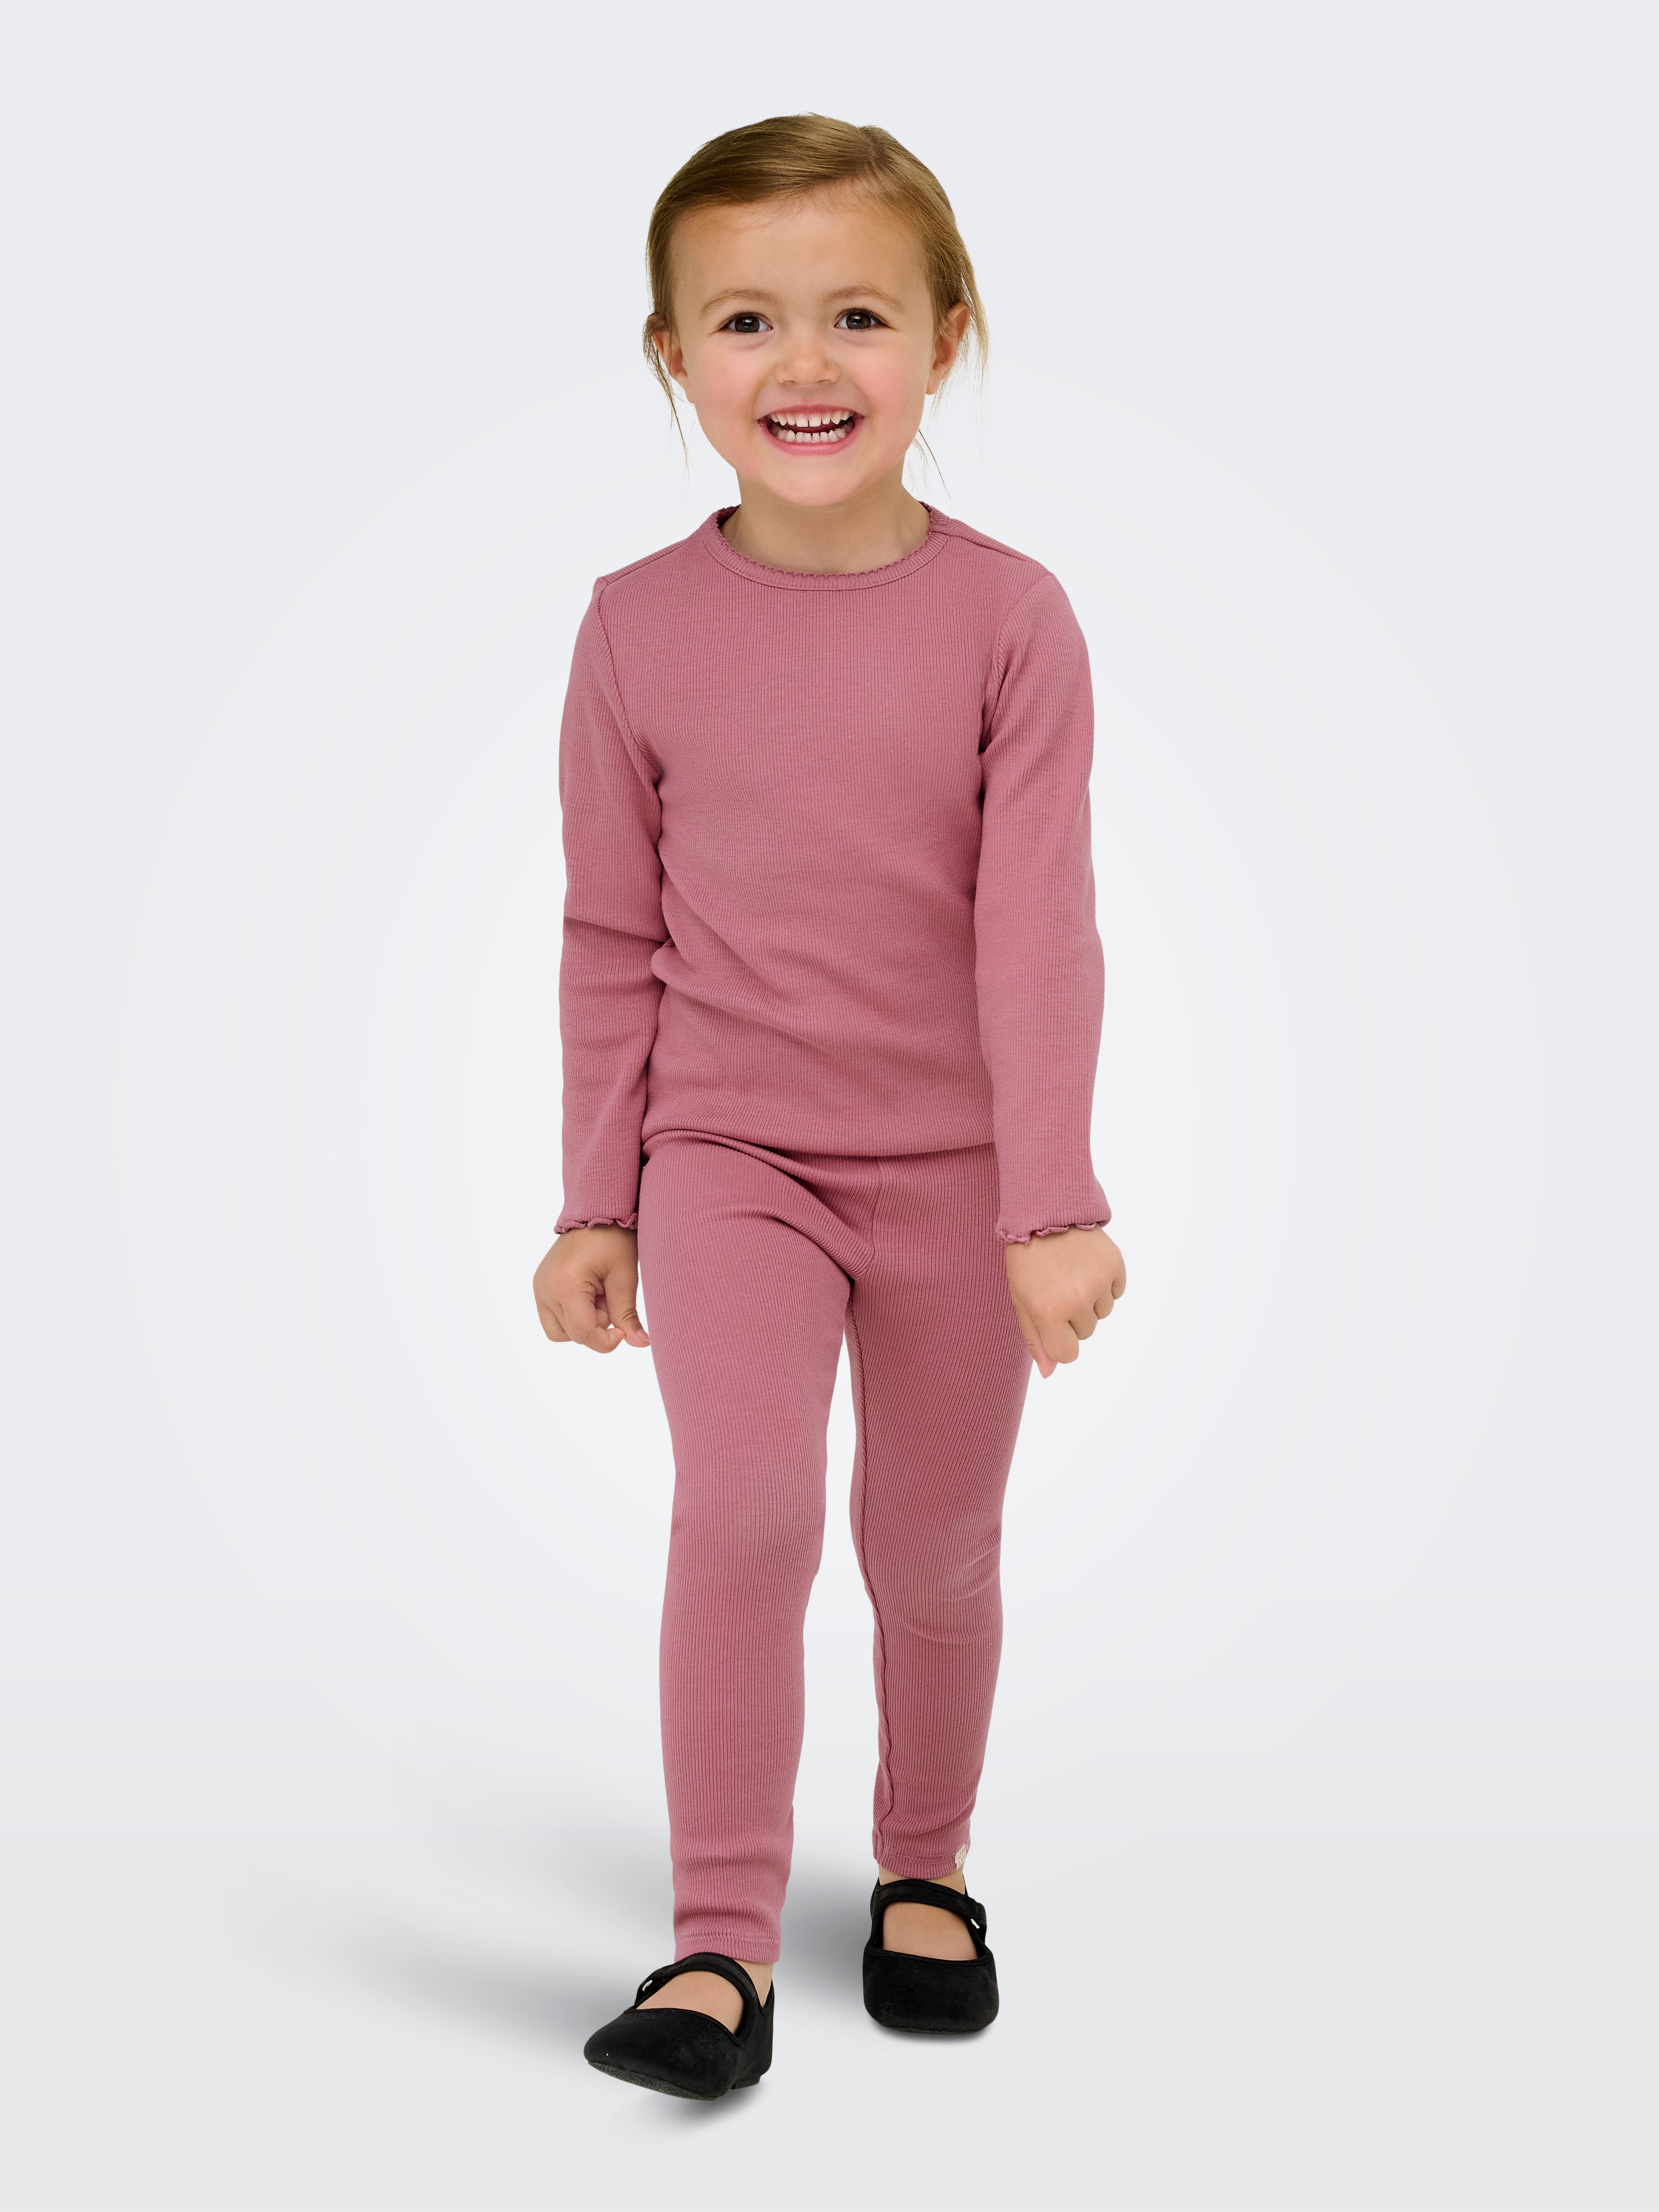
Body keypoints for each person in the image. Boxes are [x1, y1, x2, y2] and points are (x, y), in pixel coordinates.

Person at [531, 113, 1126, 2101]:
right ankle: (717, 1942)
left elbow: (1037, 929)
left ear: (946, 338)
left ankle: (922, 1867)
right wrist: (594, 1195)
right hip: (730, 1161)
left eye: (857, 315)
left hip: (960, 1176)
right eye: (745, 321)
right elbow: (609, 929)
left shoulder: (1012, 619)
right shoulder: (632, 626)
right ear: (671, 356)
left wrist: (1048, 1202)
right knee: (747, 1510)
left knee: (930, 1542)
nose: (804, 362)